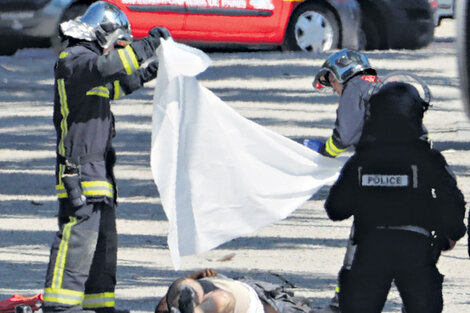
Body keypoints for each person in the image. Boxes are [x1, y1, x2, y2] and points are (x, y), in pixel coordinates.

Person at [42, 2, 170, 313]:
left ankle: (99, 305)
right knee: (78, 238)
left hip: (98, 166)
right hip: (78, 167)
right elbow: (108, 67)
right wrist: (149, 44)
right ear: (103, 35)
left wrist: (154, 69)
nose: (116, 48)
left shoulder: (91, 70)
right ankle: (59, 306)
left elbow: (120, 82)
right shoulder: (73, 60)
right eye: (117, 42)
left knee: (102, 242)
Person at [323, 80, 467, 313]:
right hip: (417, 251)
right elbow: (451, 199)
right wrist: (451, 233)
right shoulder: (427, 158)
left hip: (370, 249)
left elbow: (336, 208)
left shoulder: (361, 160)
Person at [304, 49, 381, 158]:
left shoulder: (353, 87)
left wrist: (324, 151)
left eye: (332, 81)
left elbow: (345, 135)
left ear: (343, 72)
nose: (334, 89)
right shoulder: (378, 84)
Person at [154, 269, 315, 313]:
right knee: (222, 299)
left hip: (219, 286)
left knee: (186, 286)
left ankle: (191, 299)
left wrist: (192, 277)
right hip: (246, 300)